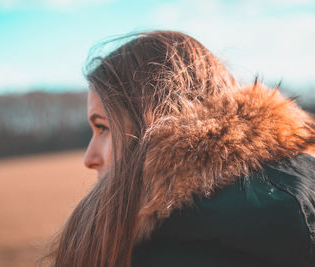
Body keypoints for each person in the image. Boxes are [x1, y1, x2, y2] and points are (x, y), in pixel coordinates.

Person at [38, 30, 315, 267]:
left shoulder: (158, 251)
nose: (90, 158)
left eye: (102, 128)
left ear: (150, 125)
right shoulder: (300, 187)